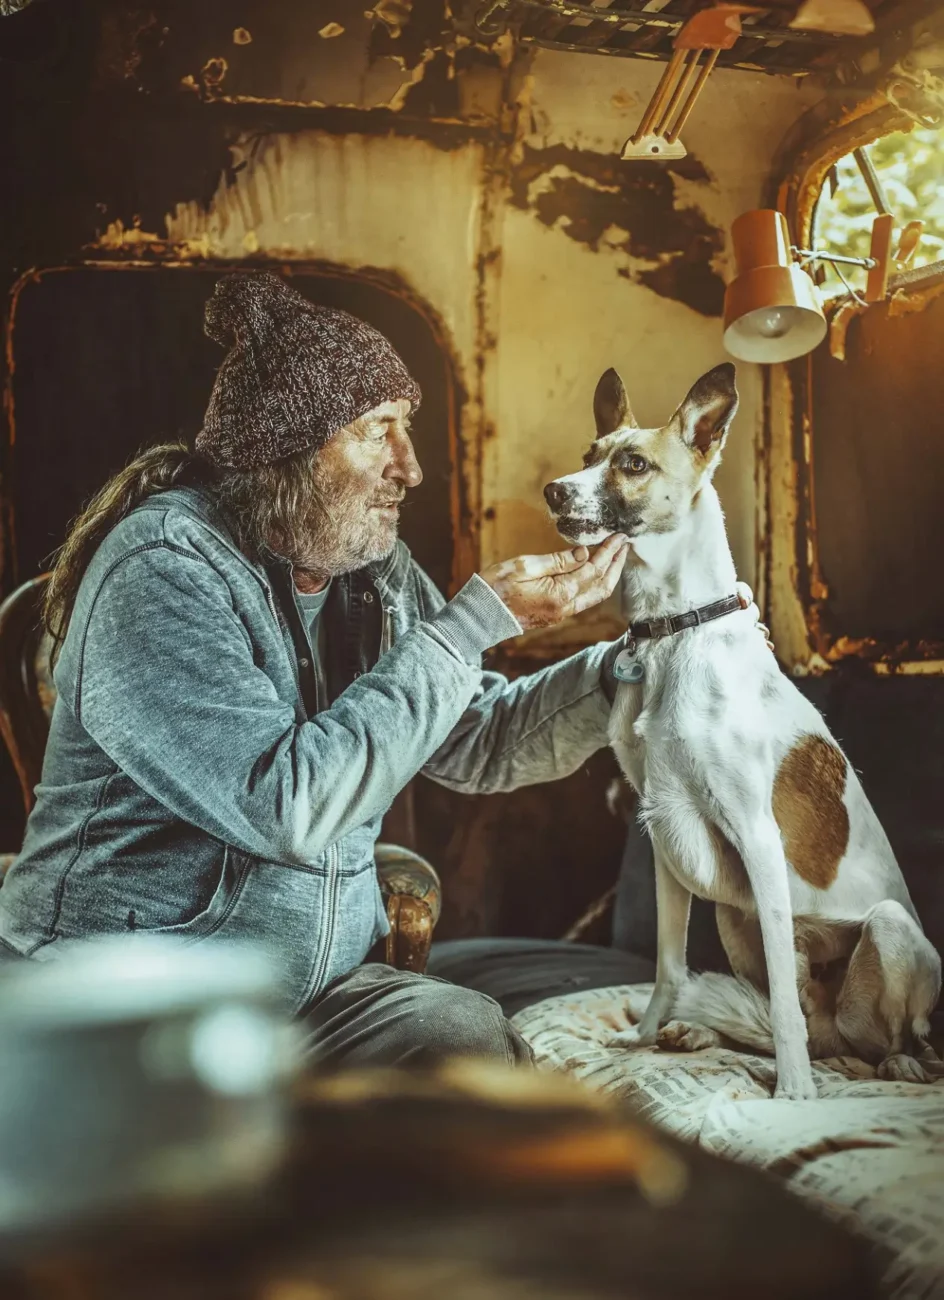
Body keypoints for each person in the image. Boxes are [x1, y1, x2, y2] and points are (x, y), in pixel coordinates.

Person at [0, 272, 748, 1067]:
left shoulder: (372, 573)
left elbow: (475, 738)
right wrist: (471, 626)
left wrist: (628, 666)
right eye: (379, 429)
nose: (411, 467)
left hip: (314, 1003)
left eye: (409, 428)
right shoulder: (162, 570)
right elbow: (286, 808)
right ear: (287, 452)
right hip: (127, 1000)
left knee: (477, 1053)